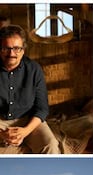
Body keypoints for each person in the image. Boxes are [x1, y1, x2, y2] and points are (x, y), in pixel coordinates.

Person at [0, 25, 60, 154]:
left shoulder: (34, 69)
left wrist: (25, 131)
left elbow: (42, 108)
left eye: (16, 48)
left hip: (28, 119)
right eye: (6, 48)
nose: (11, 54)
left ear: (23, 50)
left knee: (51, 145)